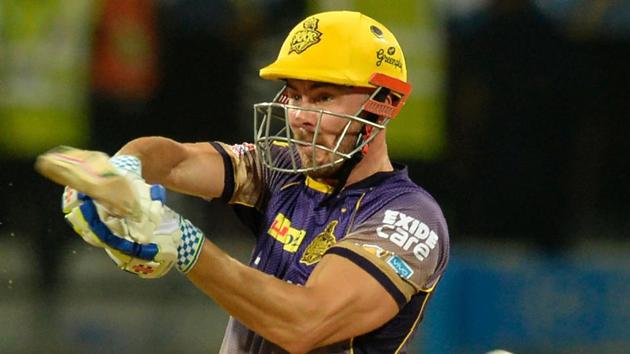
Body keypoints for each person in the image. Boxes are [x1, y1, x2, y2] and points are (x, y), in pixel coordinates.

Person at [58, 11, 450, 353]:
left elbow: (304, 324)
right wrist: (124, 169)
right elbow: (176, 161)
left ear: (384, 104)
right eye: (294, 96)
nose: (300, 116)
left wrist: (179, 241)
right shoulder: (282, 167)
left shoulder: (409, 217)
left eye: (324, 97)